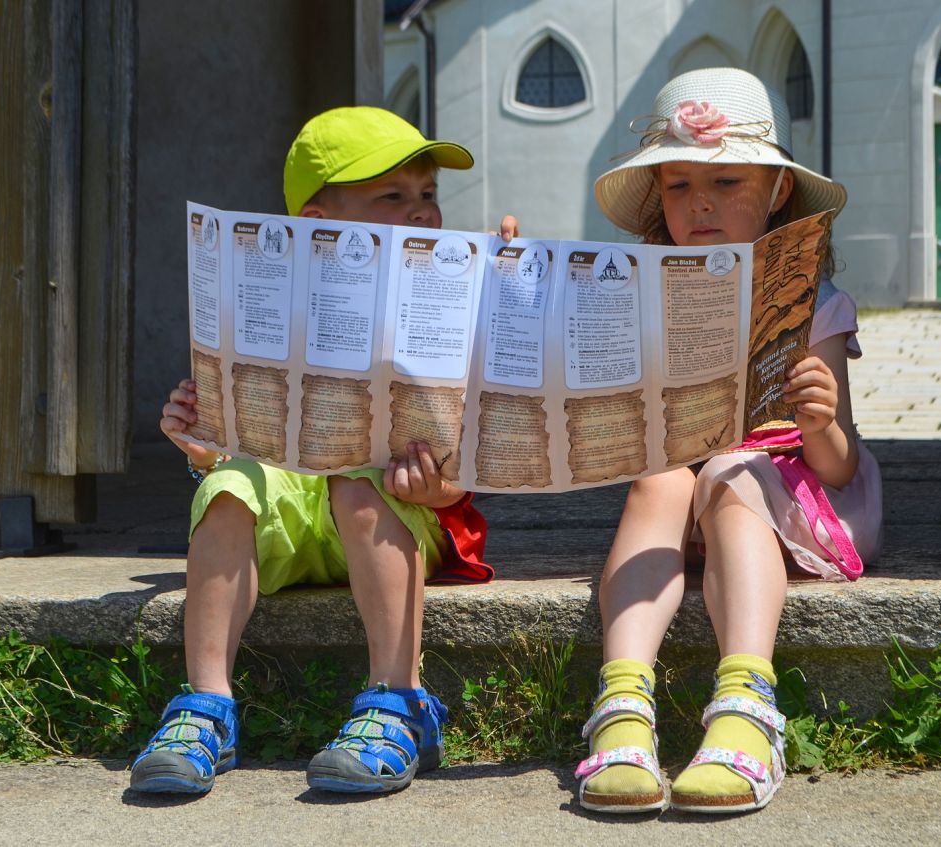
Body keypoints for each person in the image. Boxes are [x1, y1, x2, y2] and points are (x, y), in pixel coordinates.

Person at [130, 106, 518, 796]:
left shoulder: (448, 289)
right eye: (392, 198)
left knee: (358, 478)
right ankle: (206, 705)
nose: (423, 212)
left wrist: (506, 284)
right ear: (316, 223)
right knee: (229, 485)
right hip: (293, 516)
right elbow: (237, 456)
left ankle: (399, 701)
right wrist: (202, 443)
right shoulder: (268, 302)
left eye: (428, 194)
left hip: (394, 513)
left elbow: (475, 450)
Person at [575, 68, 883, 814]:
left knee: (730, 477)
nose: (700, 202)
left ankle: (747, 702)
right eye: (677, 187)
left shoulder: (818, 305)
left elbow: (838, 465)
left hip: (795, 491)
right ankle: (622, 702)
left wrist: (821, 420)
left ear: (778, 190)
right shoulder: (645, 291)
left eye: (724, 179)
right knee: (660, 479)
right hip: (687, 489)